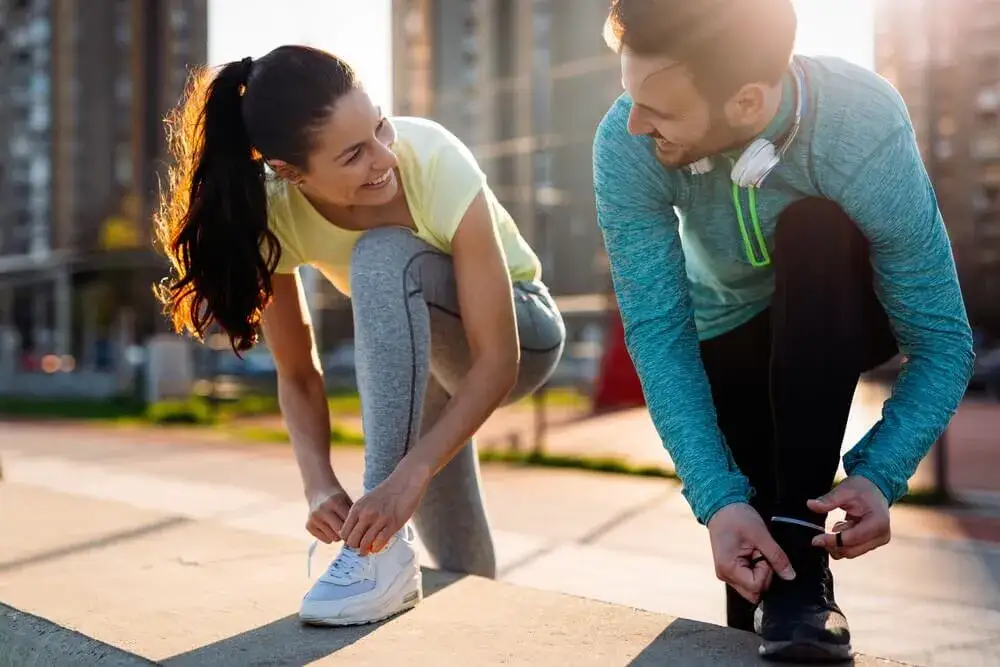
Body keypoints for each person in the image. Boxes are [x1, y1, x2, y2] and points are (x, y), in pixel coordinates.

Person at [592, 0, 974, 662]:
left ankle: (800, 543)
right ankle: (792, 591)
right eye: (630, 96)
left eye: (657, 108)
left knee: (815, 226)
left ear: (744, 103)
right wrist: (716, 500)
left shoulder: (860, 123)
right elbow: (658, 332)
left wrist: (881, 472)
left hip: (844, 308)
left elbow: (943, 342)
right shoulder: (625, 145)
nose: (633, 123)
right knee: (758, 576)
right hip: (728, 331)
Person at [154, 45, 565, 627]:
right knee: (456, 557)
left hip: (523, 334)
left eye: (378, 126)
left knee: (382, 256)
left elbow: (499, 359)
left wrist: (406, 476)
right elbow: (297, 372)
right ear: (290, 172)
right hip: (421, 356)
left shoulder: (432, 159)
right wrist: (318, 484)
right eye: (353, 154)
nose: (383, 158)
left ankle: (369, 556)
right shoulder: (275, 216)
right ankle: (460, 622)